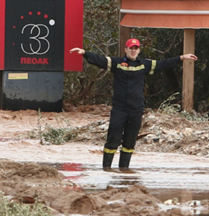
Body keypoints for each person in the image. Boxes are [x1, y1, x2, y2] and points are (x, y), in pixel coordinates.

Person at [70, 38, 197, 170]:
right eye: (131, 48)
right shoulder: (117, 63)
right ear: (126, 50)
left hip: (136, 109)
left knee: (130, 142)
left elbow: (163, 64)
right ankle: (106, 170)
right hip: (120, 108)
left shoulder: (144, 65)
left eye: (136, 48)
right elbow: (100, 60)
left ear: (139, 51)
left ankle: (124, 172)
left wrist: (182, 57)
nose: (133, 51)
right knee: (113, 139)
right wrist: (85, 53)